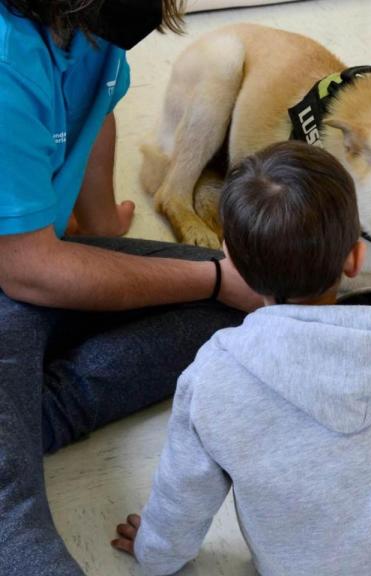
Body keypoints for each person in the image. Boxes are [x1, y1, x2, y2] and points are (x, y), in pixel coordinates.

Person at [109, 142, 371, 576]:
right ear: (355, 258)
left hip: (290, 568)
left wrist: (156, 552)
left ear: (232, 259)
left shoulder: (210, 375)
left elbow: (185, 488)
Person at [0, 1, 263, 574]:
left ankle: (25, 417)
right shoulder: (5, 61)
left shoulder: (86, 20)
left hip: (27, 257)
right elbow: (25, 268)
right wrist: (212, 276)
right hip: (15, 267)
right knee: (13, 526)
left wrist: (97, 228)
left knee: (258, 302)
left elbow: (96, 110)